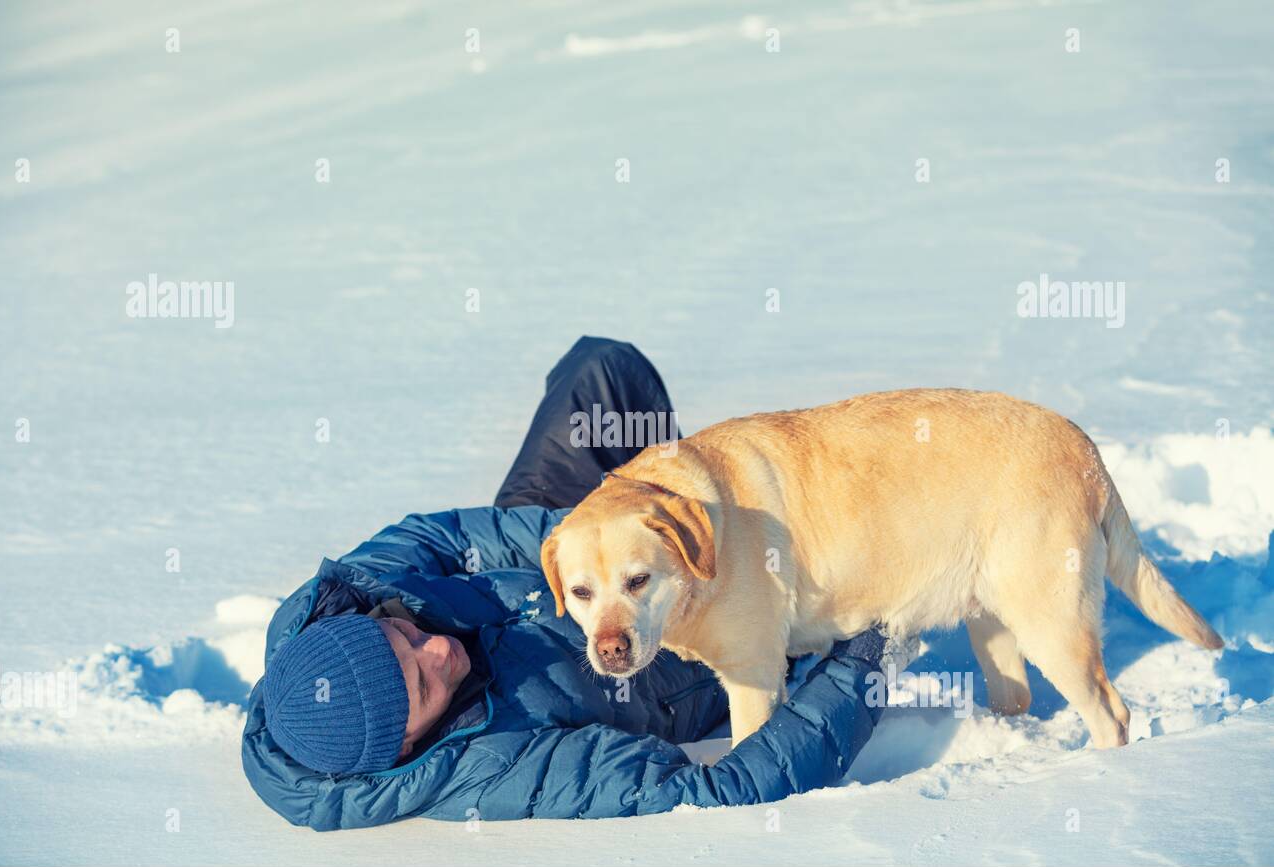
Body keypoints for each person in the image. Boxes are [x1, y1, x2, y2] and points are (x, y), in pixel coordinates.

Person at [242, 336, 886, 829]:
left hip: (561, 557)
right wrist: (866, 657)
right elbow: (724, 792)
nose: (436, 649)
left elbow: (444, 540)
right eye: (420, 682)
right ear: (408, 742)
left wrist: (600, 530)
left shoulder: (332, 610)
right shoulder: (490, 771)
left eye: (402, 632)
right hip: (665, 663)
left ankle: (687, 517)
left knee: (599, 369)